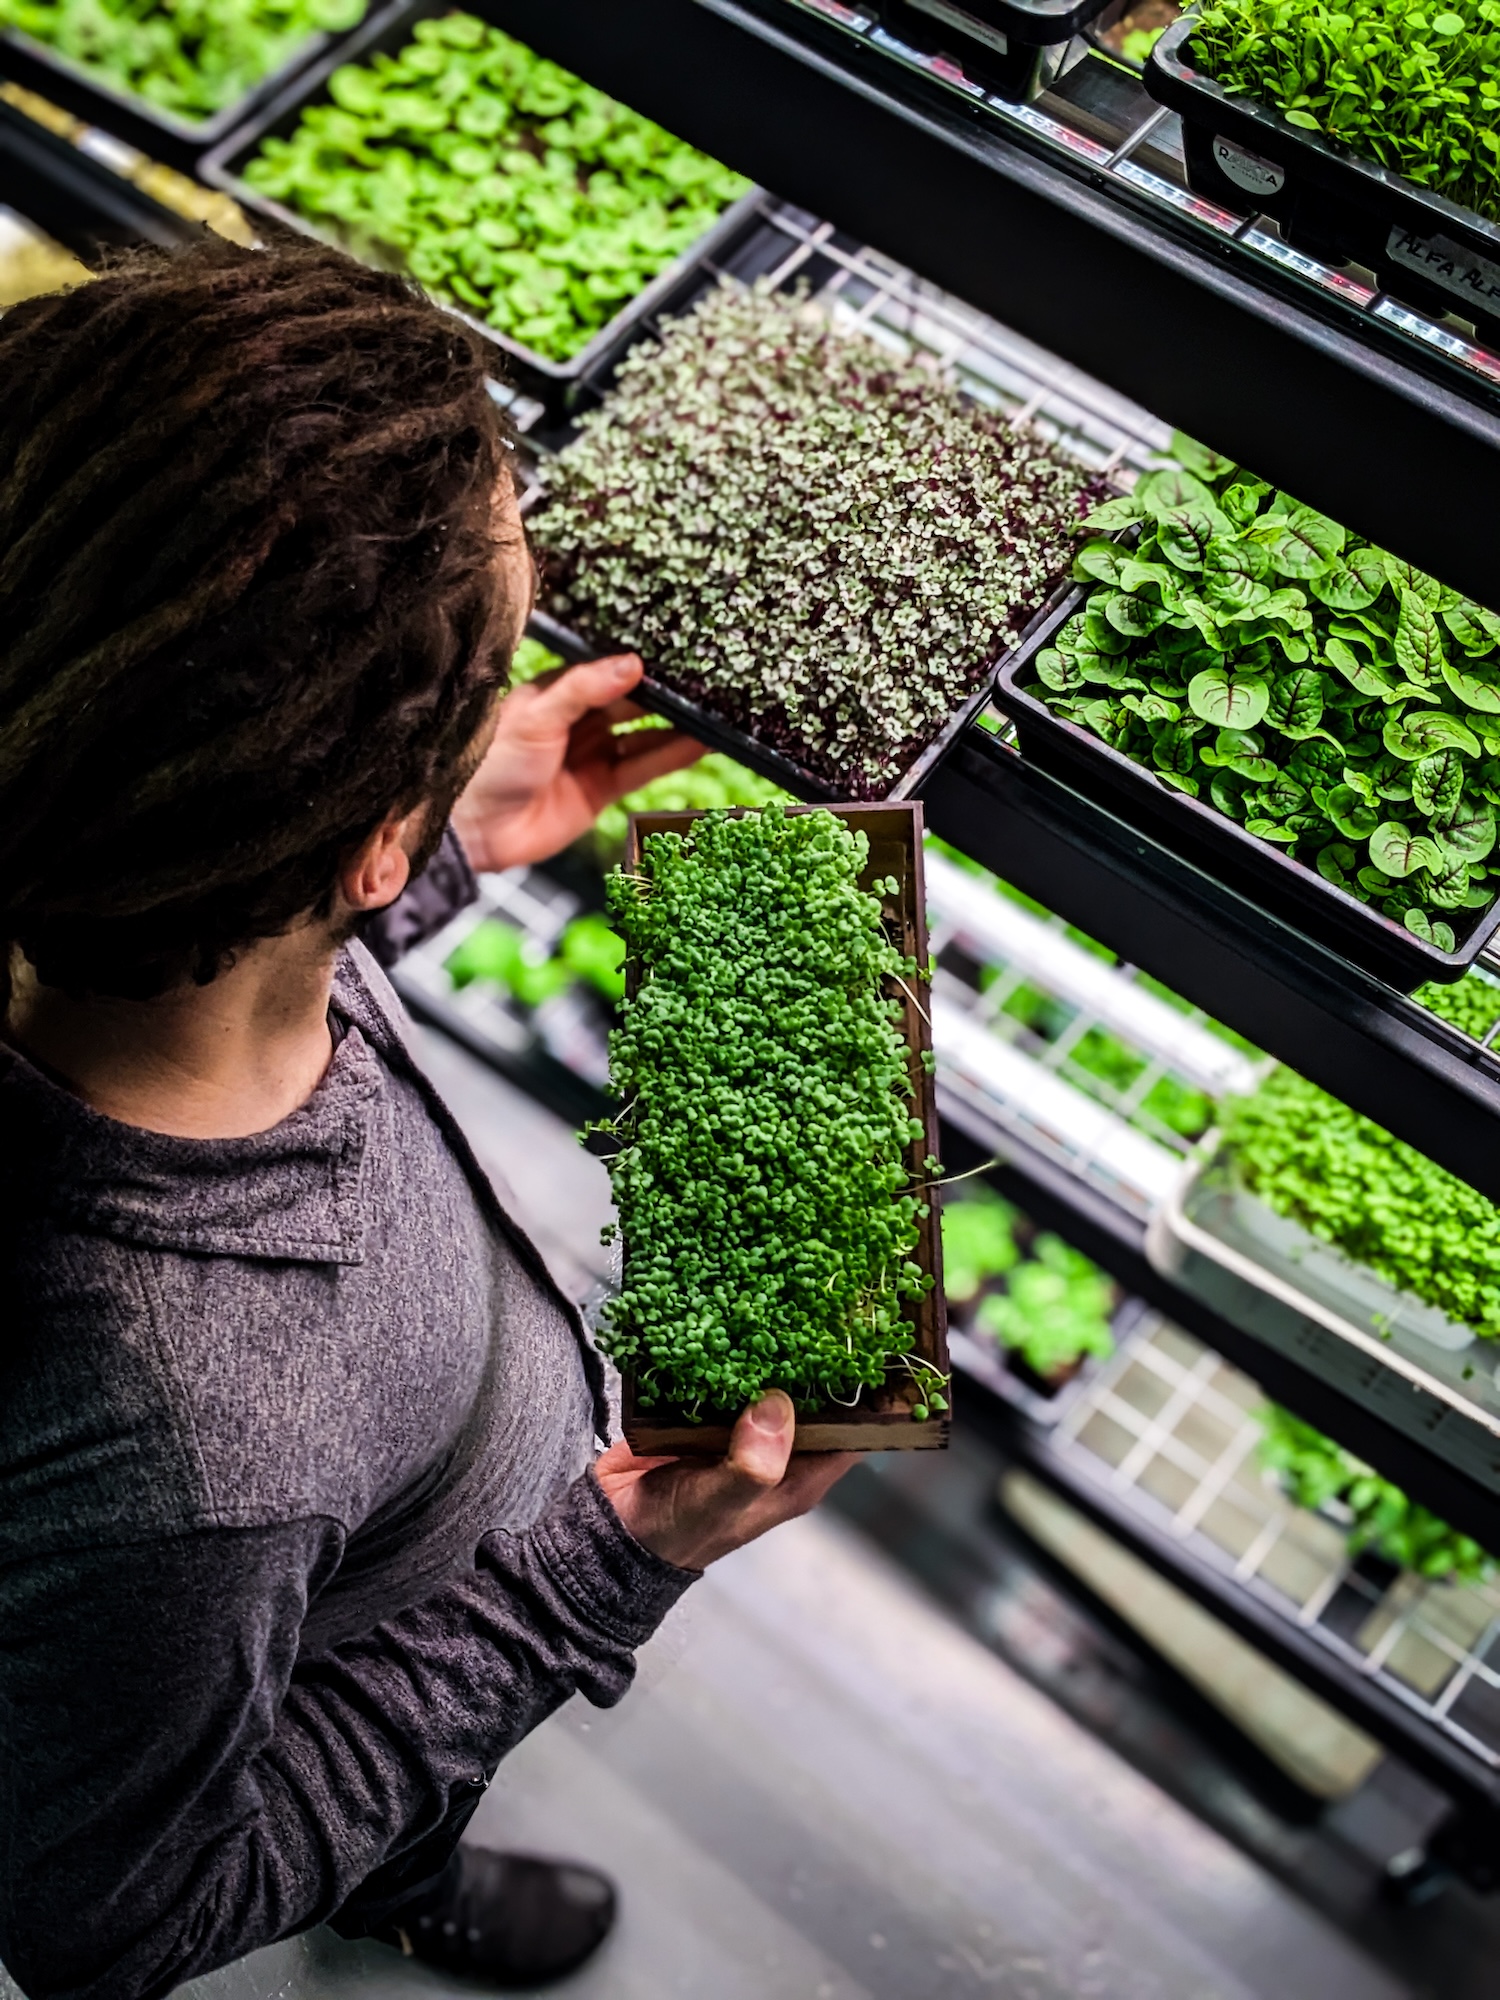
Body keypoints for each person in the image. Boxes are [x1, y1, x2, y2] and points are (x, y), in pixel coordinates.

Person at [0, 236, 853, 1998]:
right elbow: (119, 1914)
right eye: (477, 697)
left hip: (343, 1528)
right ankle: (394, 1868)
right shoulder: (205, 1465)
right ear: (358, 835)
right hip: (349, 1634)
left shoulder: (63, 838)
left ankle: (404, 1862)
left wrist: (432, 850)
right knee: (376, 1792)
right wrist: (583, 1581)